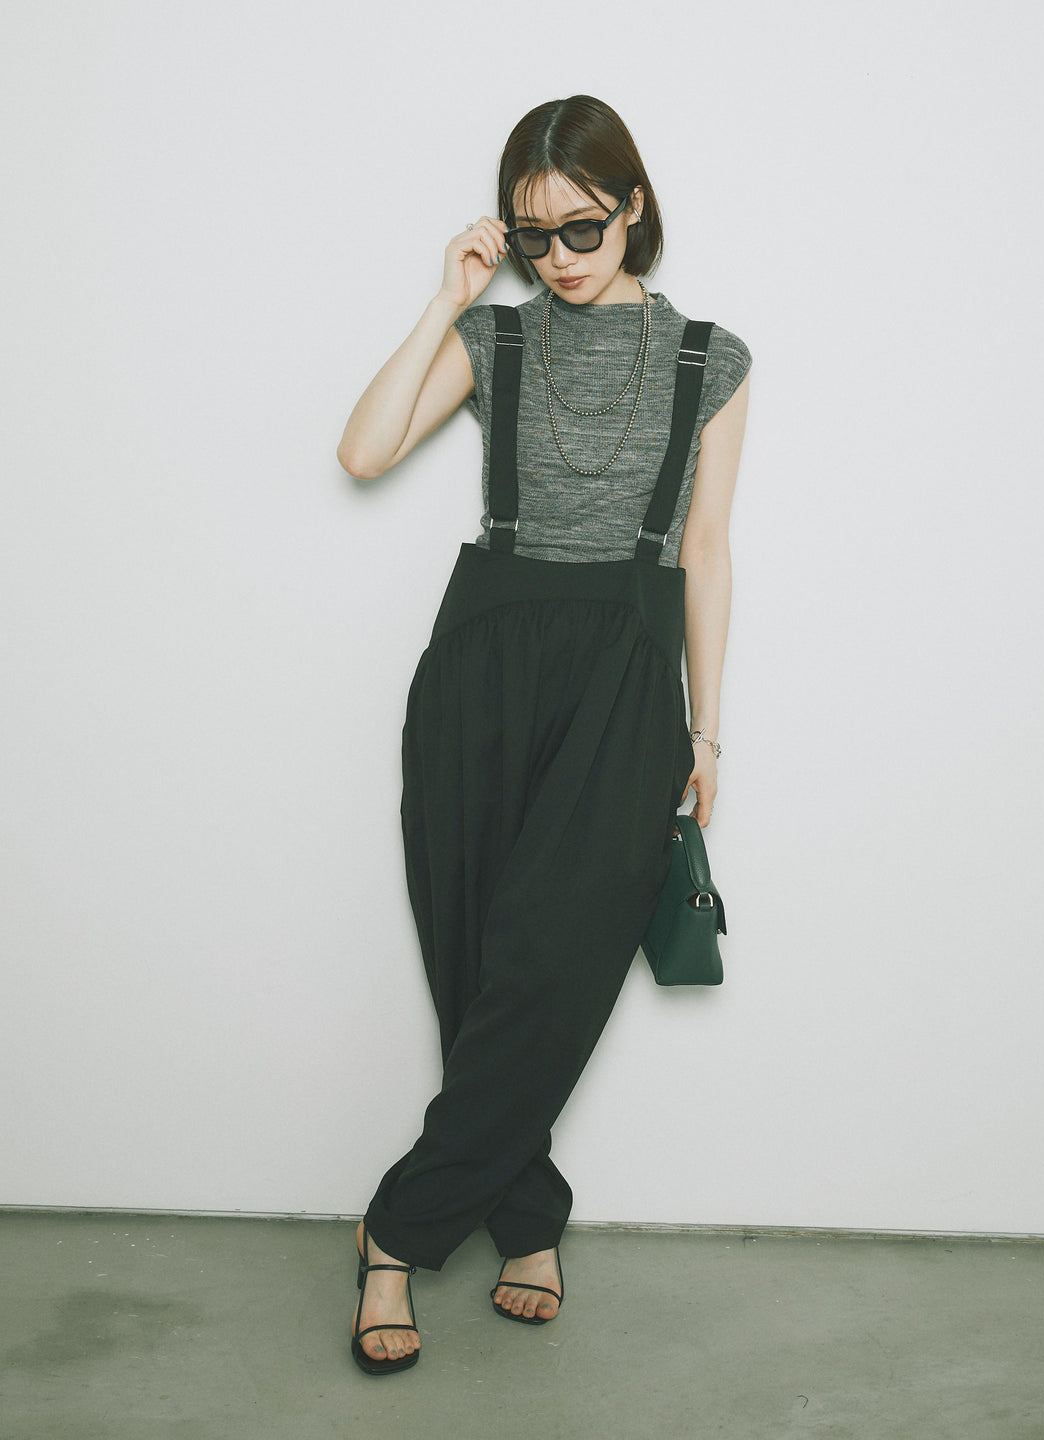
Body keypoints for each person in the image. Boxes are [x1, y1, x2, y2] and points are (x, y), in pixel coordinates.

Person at [335, 94, 751, 1376]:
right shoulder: (500, 337)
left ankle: (396, 1232)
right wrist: (446, 301)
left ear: (633, 208)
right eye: (532, 237)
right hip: (484, 662)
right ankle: (528, 1220)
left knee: (556, 961)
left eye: (581, 228)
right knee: (478, 963)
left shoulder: (711, 359)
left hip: (627, 678)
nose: (558, 258)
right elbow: (363, 453)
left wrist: (709, 733)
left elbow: (706, 550)